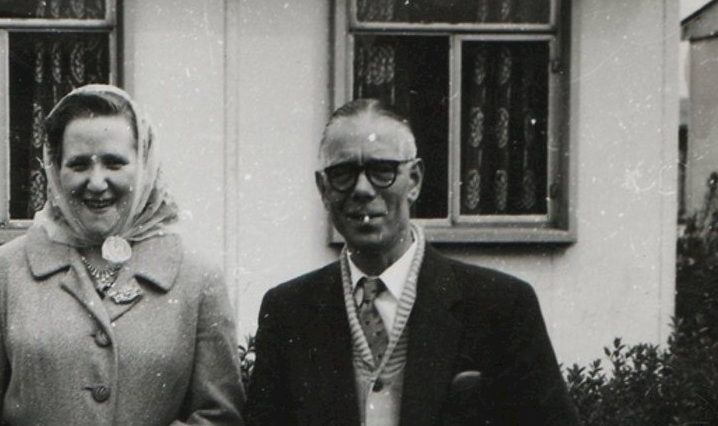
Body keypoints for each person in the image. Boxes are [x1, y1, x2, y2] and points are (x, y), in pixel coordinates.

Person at [244, 99, 579, 426]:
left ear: (414, 180)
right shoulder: (289, 312)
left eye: (382, 170)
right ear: (323, 188)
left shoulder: (501, 307)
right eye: (343, 173)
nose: (362, 189)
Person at [0, 84, 244, 425]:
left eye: (114, 163)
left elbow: (221, 417)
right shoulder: (6, 270)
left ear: (144, 165)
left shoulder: (197, 278)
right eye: (79, 165)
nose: (96, 182)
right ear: (55, 170)